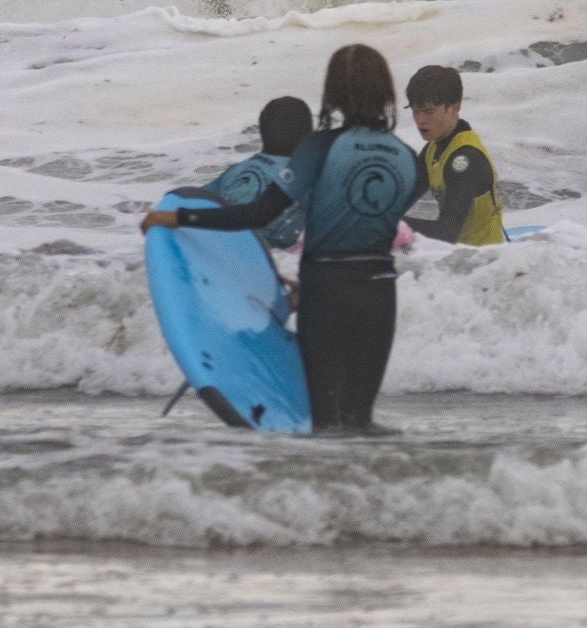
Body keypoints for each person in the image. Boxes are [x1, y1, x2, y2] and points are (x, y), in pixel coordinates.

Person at [141, 45, 423, 431]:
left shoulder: (318, 148)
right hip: (378, 294)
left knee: (324, 424)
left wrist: (180, 216)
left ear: (335, 93)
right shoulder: (408, 157)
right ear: (386, 91)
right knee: (361, 422)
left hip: (326, 292)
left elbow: (258, 213)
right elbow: (374, 228)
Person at [403, 64, 505, 246]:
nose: (420, 120)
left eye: (428, 111)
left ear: (454, 107)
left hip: (484, 262)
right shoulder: (432, 150)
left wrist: (393, 226)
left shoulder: (466, 160)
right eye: (415, 111)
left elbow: (445, 233)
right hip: (455, 258)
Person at [195, 96, 313, 250]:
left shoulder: (235, 170)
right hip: (275, 250)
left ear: (263, 133)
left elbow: (197, 198)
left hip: (225, 243)